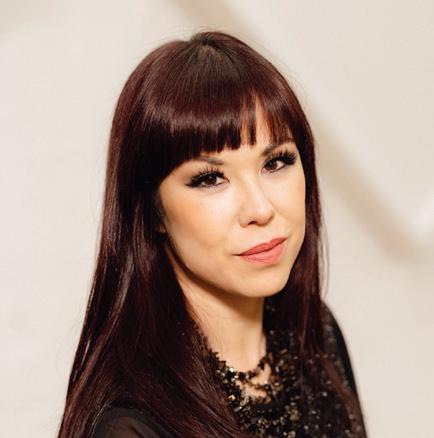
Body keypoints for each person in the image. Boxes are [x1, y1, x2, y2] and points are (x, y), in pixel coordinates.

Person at [58, 31, 367, 437]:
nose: (260, 209)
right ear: (152, 210)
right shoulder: (130, 426)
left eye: (276, 162)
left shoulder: (316, 334)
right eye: (210, 179)